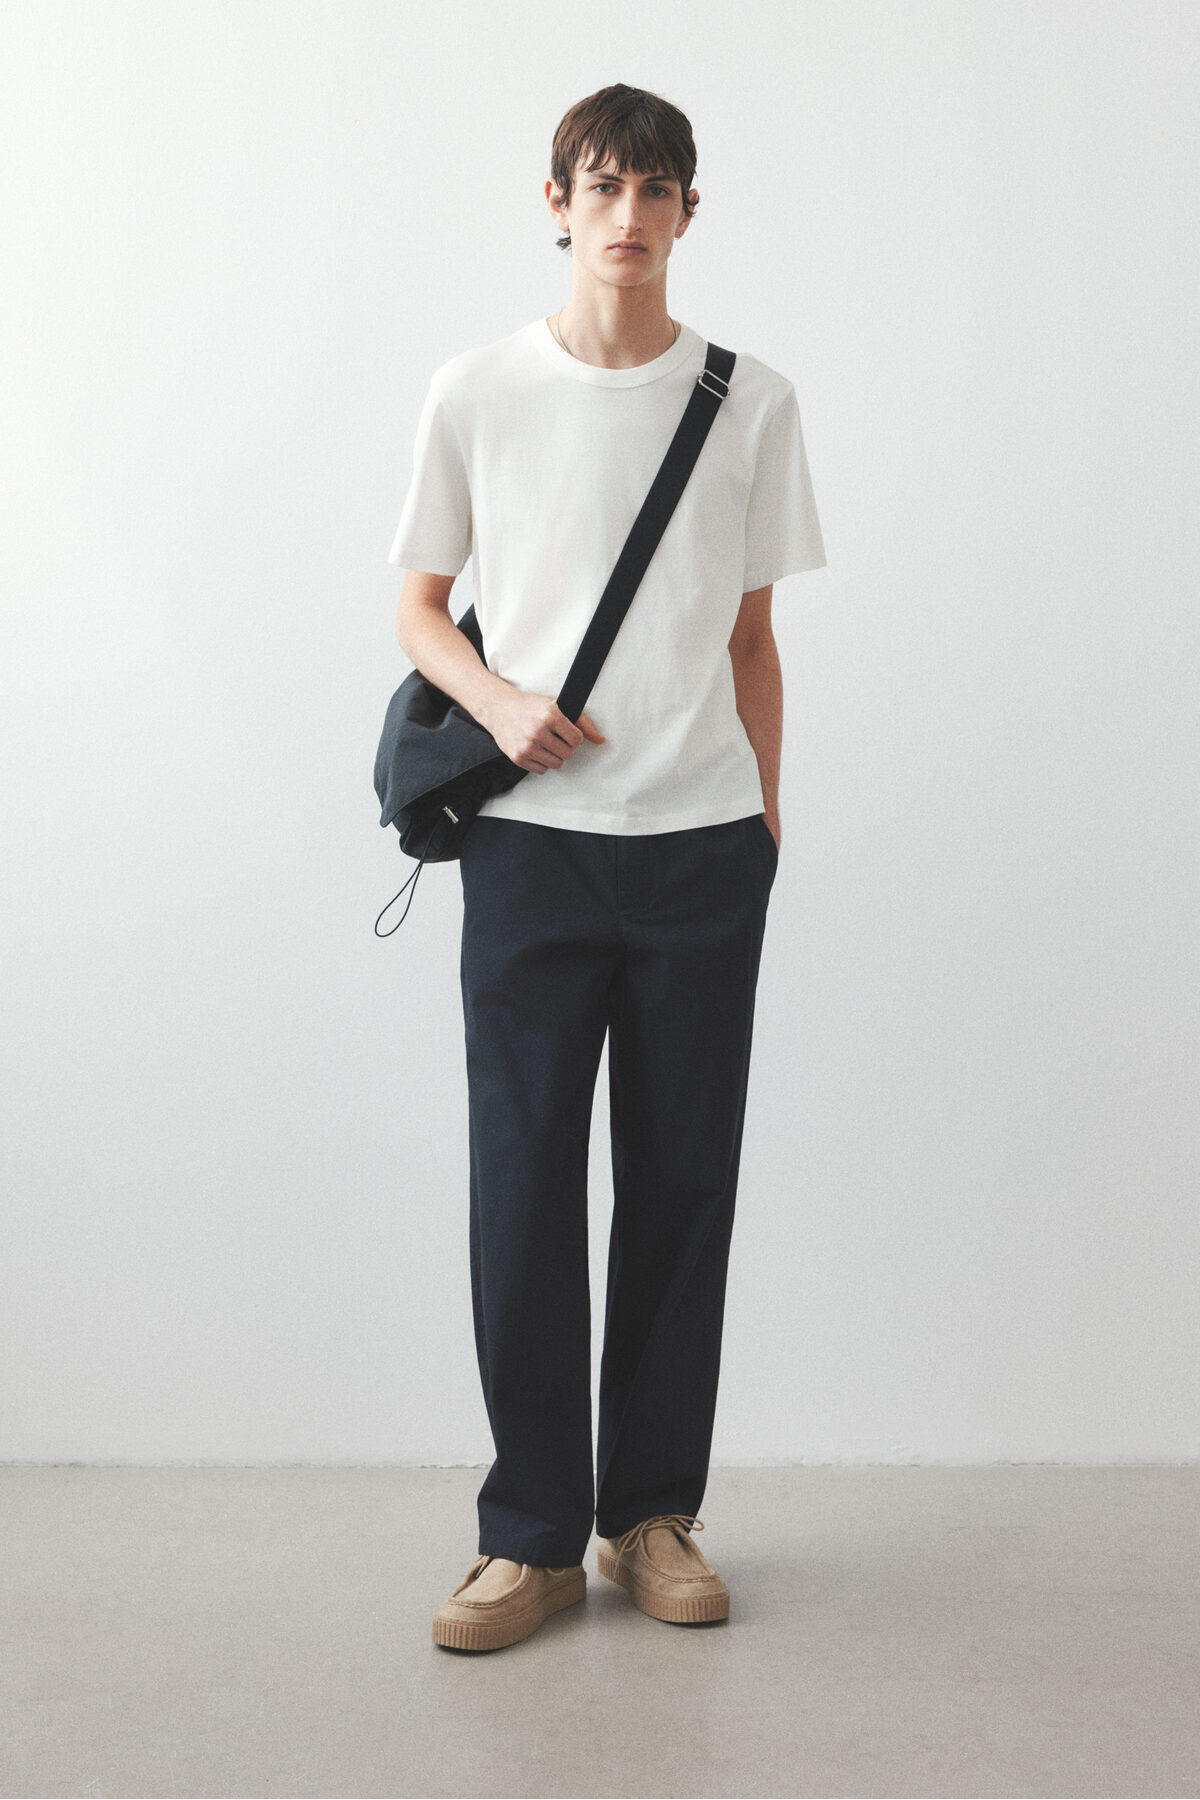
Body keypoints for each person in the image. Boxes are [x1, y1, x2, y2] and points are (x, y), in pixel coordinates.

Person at [386, 82, 826, 1653]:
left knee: (683, 1184)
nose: (627, 215)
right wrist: (502, 704)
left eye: (656, 190)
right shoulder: (477, 391)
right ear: (556, 202)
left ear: (690, 212)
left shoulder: (751, 401)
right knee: (521, 1188)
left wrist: (763, 819)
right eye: (601, 186)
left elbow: (755, 639)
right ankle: (527, 1538)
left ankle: (650, 1517)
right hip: (532, 857)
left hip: (702, 851)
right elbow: (419, 606)